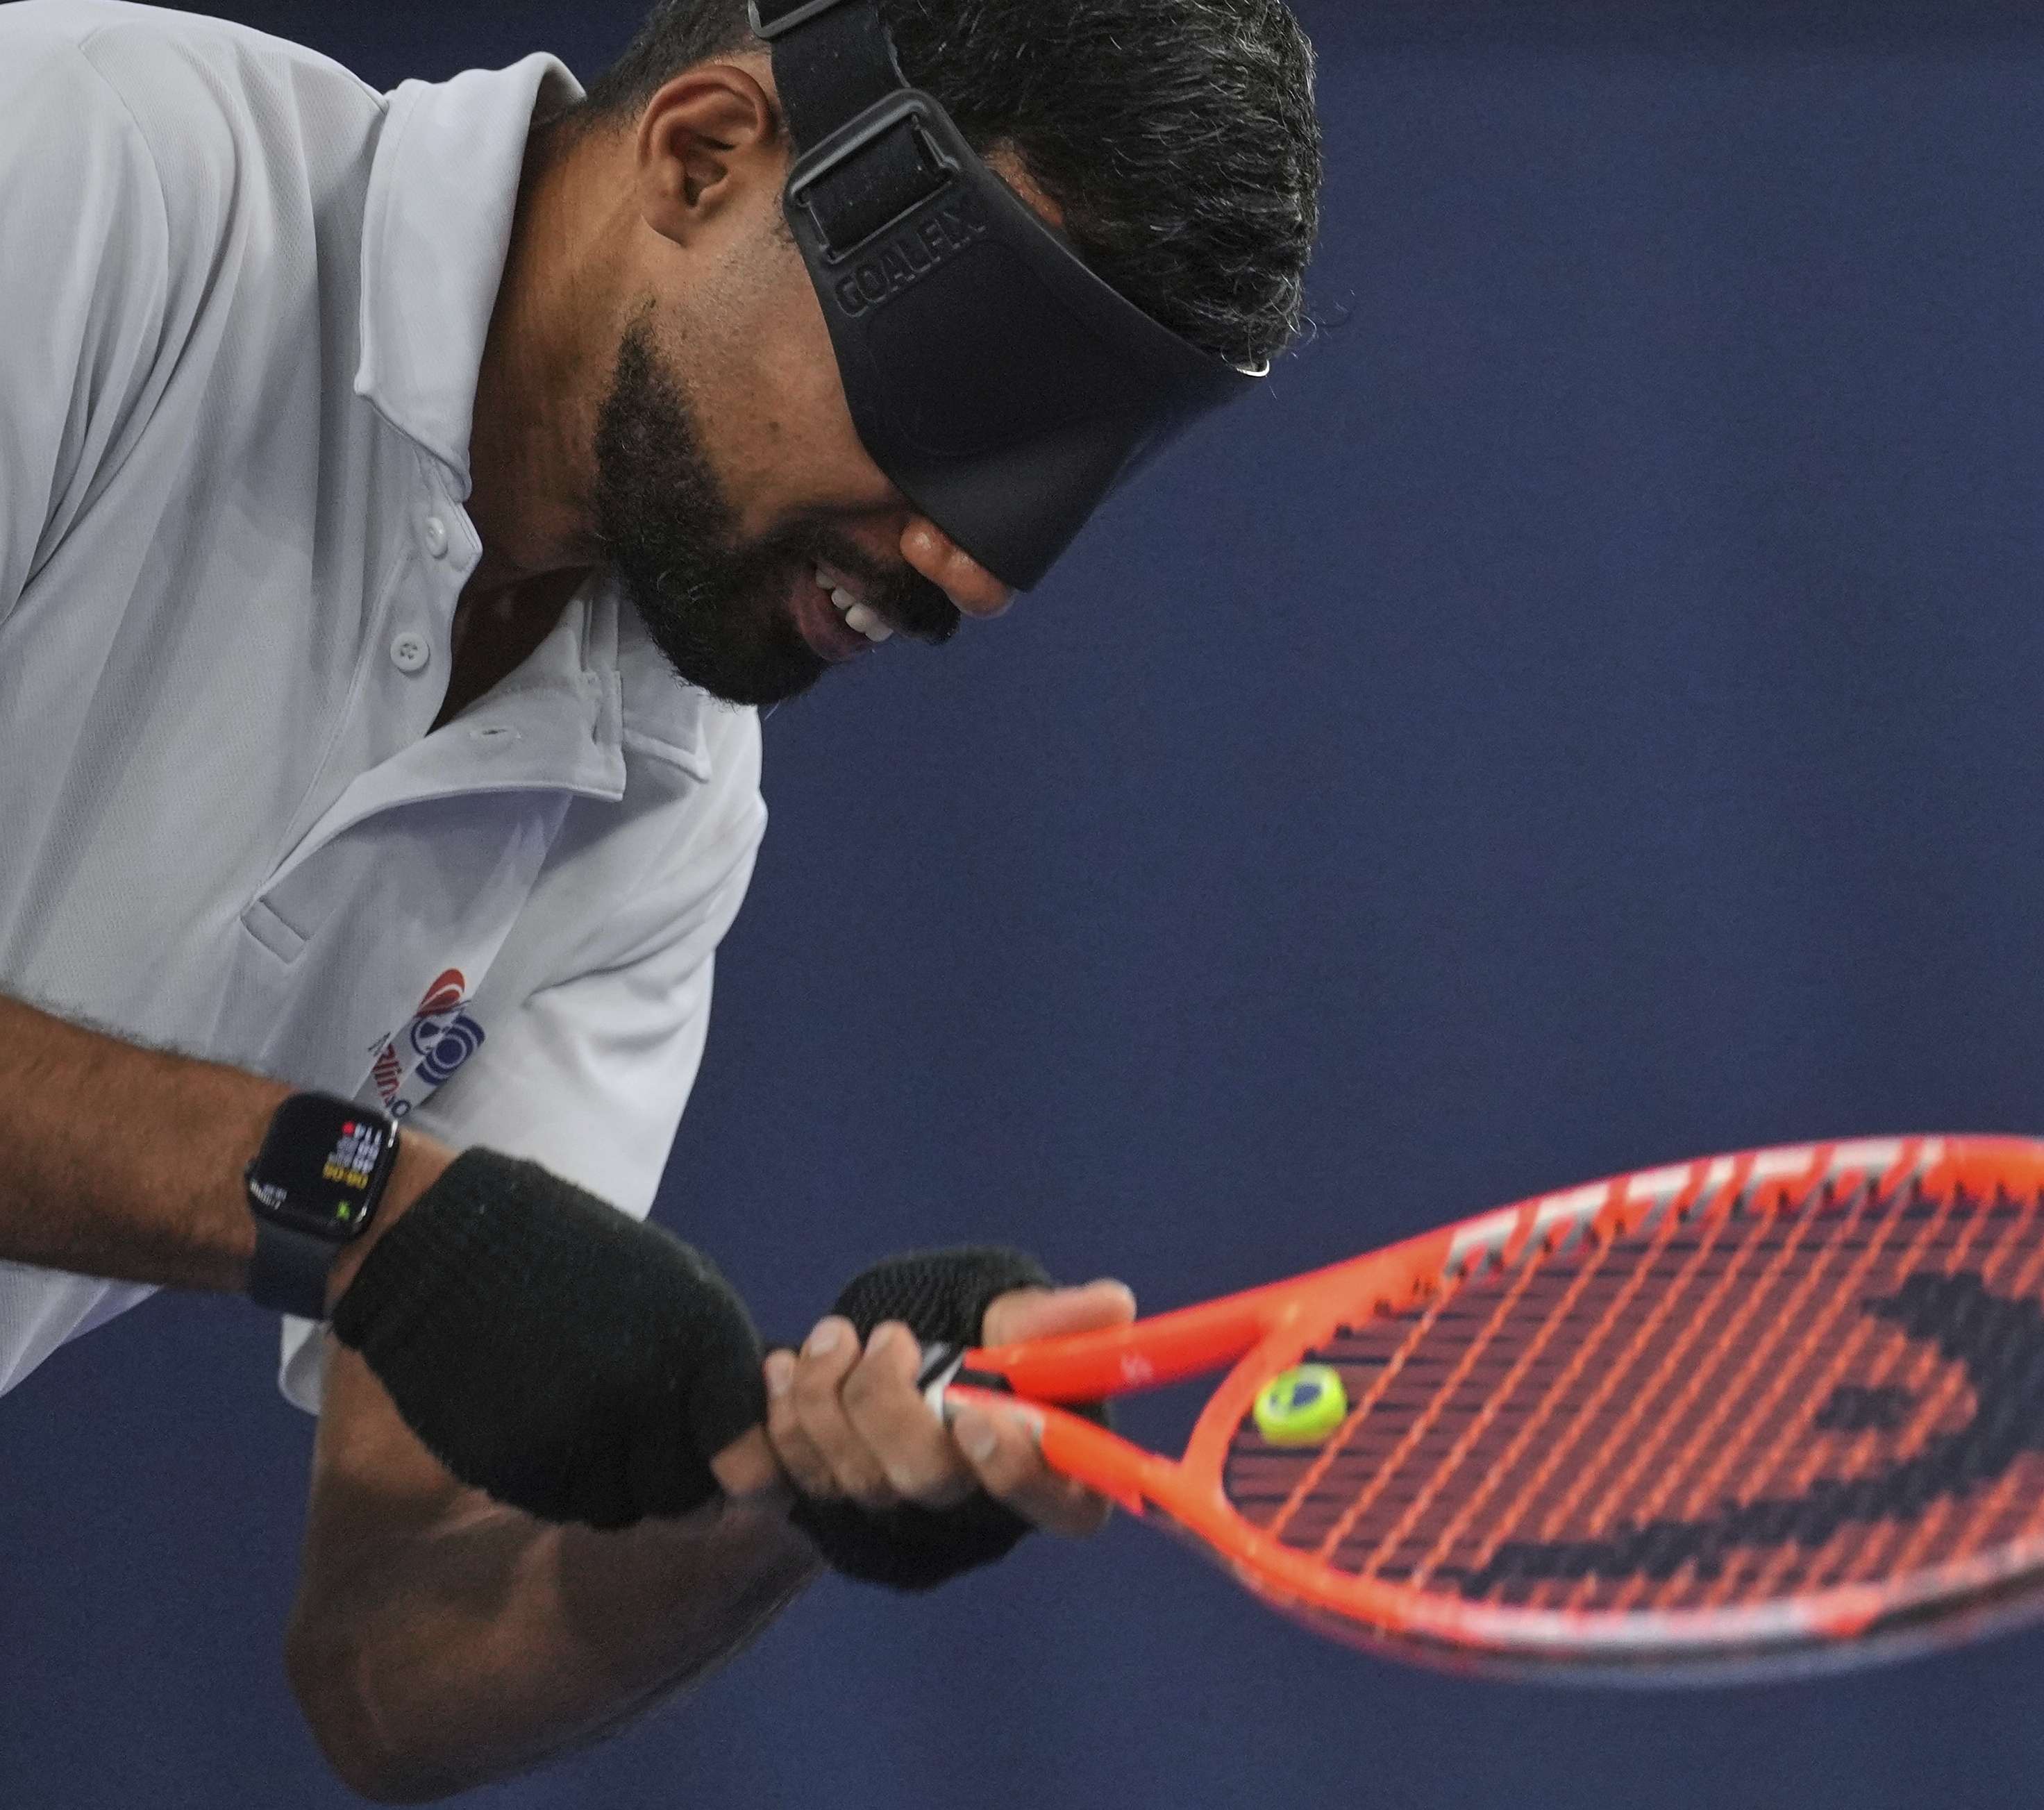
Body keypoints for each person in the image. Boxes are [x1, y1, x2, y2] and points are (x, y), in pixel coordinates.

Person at [0, 0, 1320, 1797]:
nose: (971, 564)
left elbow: (388, 1666)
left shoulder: (667, 803)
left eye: (1055, 480)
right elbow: (384, 1220)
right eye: (963, 396)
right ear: (703, 157)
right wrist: (367, 1206)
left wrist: (793, 1492)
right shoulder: (81, 171)